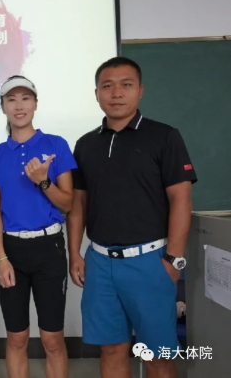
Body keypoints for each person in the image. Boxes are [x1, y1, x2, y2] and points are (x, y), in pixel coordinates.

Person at [67, 57, 197, 378]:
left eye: (126, 85)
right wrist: (75, 254)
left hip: (150, 262)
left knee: (158, 357)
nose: (116, 93)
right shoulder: (85, 144)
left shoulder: (164, 136)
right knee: (111, 349)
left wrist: (174, 260)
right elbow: (78, 204)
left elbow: (181, 199)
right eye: (107, 86)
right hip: (100, 263)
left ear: (140, 90)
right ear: (96, 93)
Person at [0, 75, 75, 378]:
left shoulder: (55, 145)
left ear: (35, 103)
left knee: (52, 339)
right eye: (11, 99)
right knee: (17, 338)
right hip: (11, 250)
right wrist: (0, 257)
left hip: (49, 248)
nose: (19, 106)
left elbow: (68, 204)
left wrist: (43, 182)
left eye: (25, 98)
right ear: (3, 107)